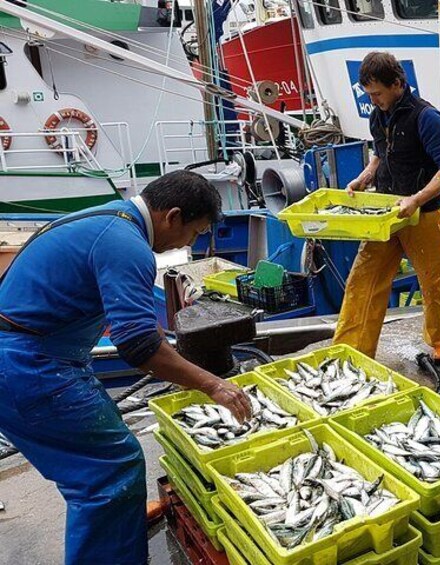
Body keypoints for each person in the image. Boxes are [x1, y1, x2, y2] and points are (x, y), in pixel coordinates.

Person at [0, 170, 252, 564]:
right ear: (173, 216)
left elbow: (131, 320)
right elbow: (138, 348)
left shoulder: (109, 218)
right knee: (109, 468)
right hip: (27, 364)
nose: (190, 243)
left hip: (34, 354)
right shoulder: (126, 244)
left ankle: (115, 528)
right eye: (195, 232)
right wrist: (213, 385)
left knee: (96, 464)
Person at [336, 52, 440, 364]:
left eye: (377, 93)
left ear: (397, 84)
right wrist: (364, 177)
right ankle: (351, 349)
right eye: (369, 94)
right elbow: (379, 153)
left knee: (432, 280)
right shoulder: (377, 115)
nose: (373, 100)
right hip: (386, 213)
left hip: (423, 213)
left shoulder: (427, 118)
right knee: (363, 279)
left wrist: (416, 199)